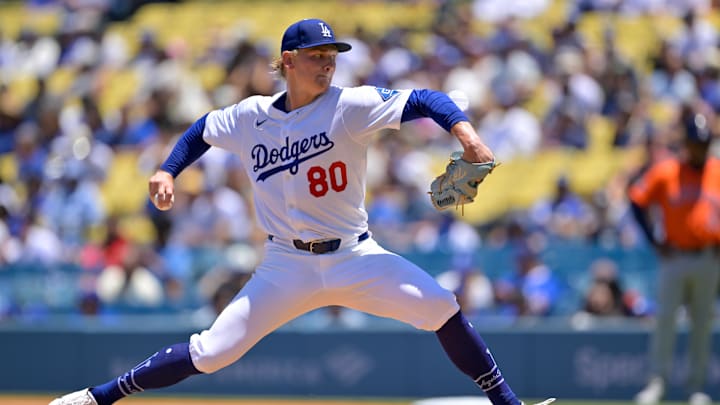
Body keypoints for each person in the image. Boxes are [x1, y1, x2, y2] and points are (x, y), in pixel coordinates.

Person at [49, 19, 555, 405]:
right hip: (285, 265)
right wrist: (167, 171)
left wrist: (464, 132)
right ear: (288, 60)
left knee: (443, 306)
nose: (328, 63)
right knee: (211, 352)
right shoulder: (251, 117)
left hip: (355, 256)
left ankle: (508, 404)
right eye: (316, 55)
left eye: (332, 54)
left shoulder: (350, 105)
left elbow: (425, 98)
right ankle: (97, 397)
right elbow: (202, 129)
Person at [629, 112, 720, 405]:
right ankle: (657, 384)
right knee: (665, 320)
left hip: (708, 257)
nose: (700, 149)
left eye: (704, 143)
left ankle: (695, 387)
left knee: (702, 323)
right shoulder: (667, 171)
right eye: (695, 143)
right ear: (687, 143)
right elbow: (636, 200)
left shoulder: (717, 171)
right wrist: (654, 240)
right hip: (675, 257)